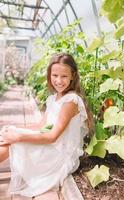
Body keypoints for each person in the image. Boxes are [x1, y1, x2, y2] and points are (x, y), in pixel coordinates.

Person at [0, 53, 94, 199]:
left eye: (64, 76)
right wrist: (14, 128)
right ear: (49, 75)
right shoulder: (53, 98)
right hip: (51, 145)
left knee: (10, 144)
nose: (58, 80)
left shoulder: (71, 101)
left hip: (58, 153)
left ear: (73, 76)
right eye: (54, 75)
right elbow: (40, 125)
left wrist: (18, 137)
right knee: (8, 137)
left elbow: (52, 136)